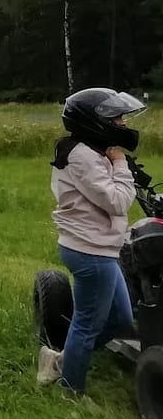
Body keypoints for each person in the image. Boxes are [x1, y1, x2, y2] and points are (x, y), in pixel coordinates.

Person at [37, 87, 147, 393]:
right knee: (86, 325)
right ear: (95, 123)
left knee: (120, 320)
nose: (123, 123)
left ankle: (60, 361)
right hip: (90, 252)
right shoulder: (83, 157)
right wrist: (121, 164)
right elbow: (117, 202)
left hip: (100, 249)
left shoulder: (91, 151)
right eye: (117, 118)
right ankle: (70, 391)